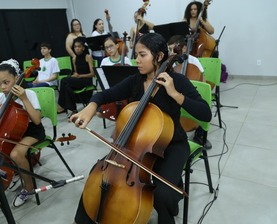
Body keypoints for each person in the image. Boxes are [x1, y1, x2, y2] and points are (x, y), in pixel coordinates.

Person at [70, 33, 212, 224]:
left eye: (142, 55)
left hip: (171, 145)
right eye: (136, 55)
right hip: (133, 145)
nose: (136, 60)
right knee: (98, 175)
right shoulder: (135, 80)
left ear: (159, 56)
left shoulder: (177, 81)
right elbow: (106, 95)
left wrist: (176, 95)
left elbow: (205, 114)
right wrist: (90, 107)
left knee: (163, 194)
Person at [0, 59, 45, 207]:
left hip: (32, 130)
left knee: (15, 154)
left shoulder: (29, 94)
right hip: (11, 132)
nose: (3, 87)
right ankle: (15, 172)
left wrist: (24, 99)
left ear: (17, 78)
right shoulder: (0, 97)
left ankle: (29, 187)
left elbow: (37, 120)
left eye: (6, 82)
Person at [168, 35, 212, 149]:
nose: (173, 52)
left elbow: (203, 82)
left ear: (184, 48)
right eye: (170, 49)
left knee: (201, 106)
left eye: (175, 48)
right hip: (176, 96)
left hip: (192, 94)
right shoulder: (170, 63)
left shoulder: (194, 61)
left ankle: (200, 135)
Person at [57, 37, 94, 118]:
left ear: (83, 48)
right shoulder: (74, 59)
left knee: (63, 80)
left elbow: (92, 74)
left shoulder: (87, 57)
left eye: (79, 46)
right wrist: (75, 76)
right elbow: (76, 72)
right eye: (75, 47)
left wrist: (79, 76)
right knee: (67, 87)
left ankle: (63, 106)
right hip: (78, 80)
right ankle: (74, 110)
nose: (77, 49)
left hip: (86, 80)